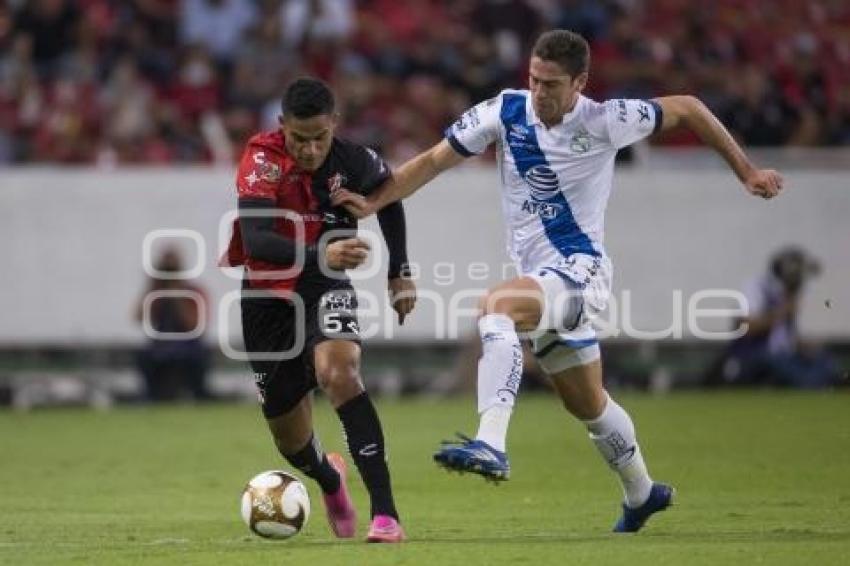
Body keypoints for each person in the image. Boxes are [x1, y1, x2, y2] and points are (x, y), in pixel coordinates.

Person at [332, 29, 783, 533]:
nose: (539, 92)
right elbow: (434, 160)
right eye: (533, 79)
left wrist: (745, 171)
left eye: (551, 84)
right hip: (541, 280)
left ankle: (491, 443)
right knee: (587, 403)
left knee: (495, 308)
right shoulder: (504, 111)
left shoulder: (607, 120)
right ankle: (642, 493)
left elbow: (691, 107)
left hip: (580, 271)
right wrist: (376, 201)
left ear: (580, 83)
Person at [222, 78, 415, 542]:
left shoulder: (355, 160)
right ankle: (330, 479)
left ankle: (386, 515)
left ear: (334, 124)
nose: (309, 150)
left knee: (341, 371)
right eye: (299, 138)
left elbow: (389, 199)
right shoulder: (262, 160)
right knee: (290, 441)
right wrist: (318, 253)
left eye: (319, 138)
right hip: (267, 296)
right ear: (282, 126)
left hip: (326, 285)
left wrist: (399, 270)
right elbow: (258, 238)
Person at [706, 247, 839, 389]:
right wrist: (782, 311)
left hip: (781, 357)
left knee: (823, 360)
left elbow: (783, 338)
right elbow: (746, 327)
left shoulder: (789, 294)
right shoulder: (757, 288)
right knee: (780, 363)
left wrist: (803, 345)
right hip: (749, 357)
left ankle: (822, 383)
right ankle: (812, 385)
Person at [135, 247, 212, 402]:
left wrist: (176, 291)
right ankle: (152, 397)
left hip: (189, 347)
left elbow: (194, 325)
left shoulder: (194, 292)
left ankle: (199, 396)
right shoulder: (155, 293)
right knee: (144, 357)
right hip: (161, 347)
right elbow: (138, 316)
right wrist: (151, 285)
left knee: (199, 359)